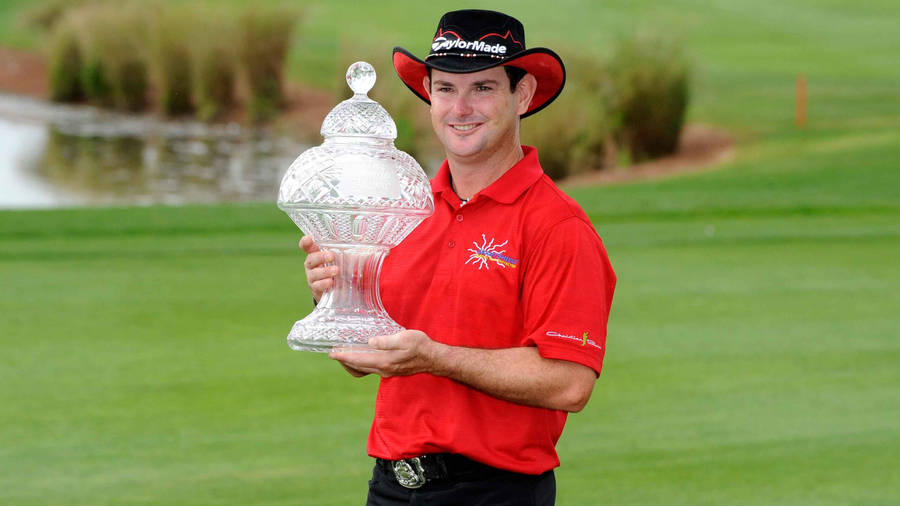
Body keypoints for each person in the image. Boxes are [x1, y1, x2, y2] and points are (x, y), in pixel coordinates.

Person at [300, 9, 616, 506]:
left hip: (493, 491)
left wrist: (436, 357)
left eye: (483, 88)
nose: (460, 107)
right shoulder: (401, 212)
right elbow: (367, 362)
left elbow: (569, 383)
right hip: (390, 486)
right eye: (445, 88)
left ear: (524, 95)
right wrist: (340, 300)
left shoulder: (559, 226)